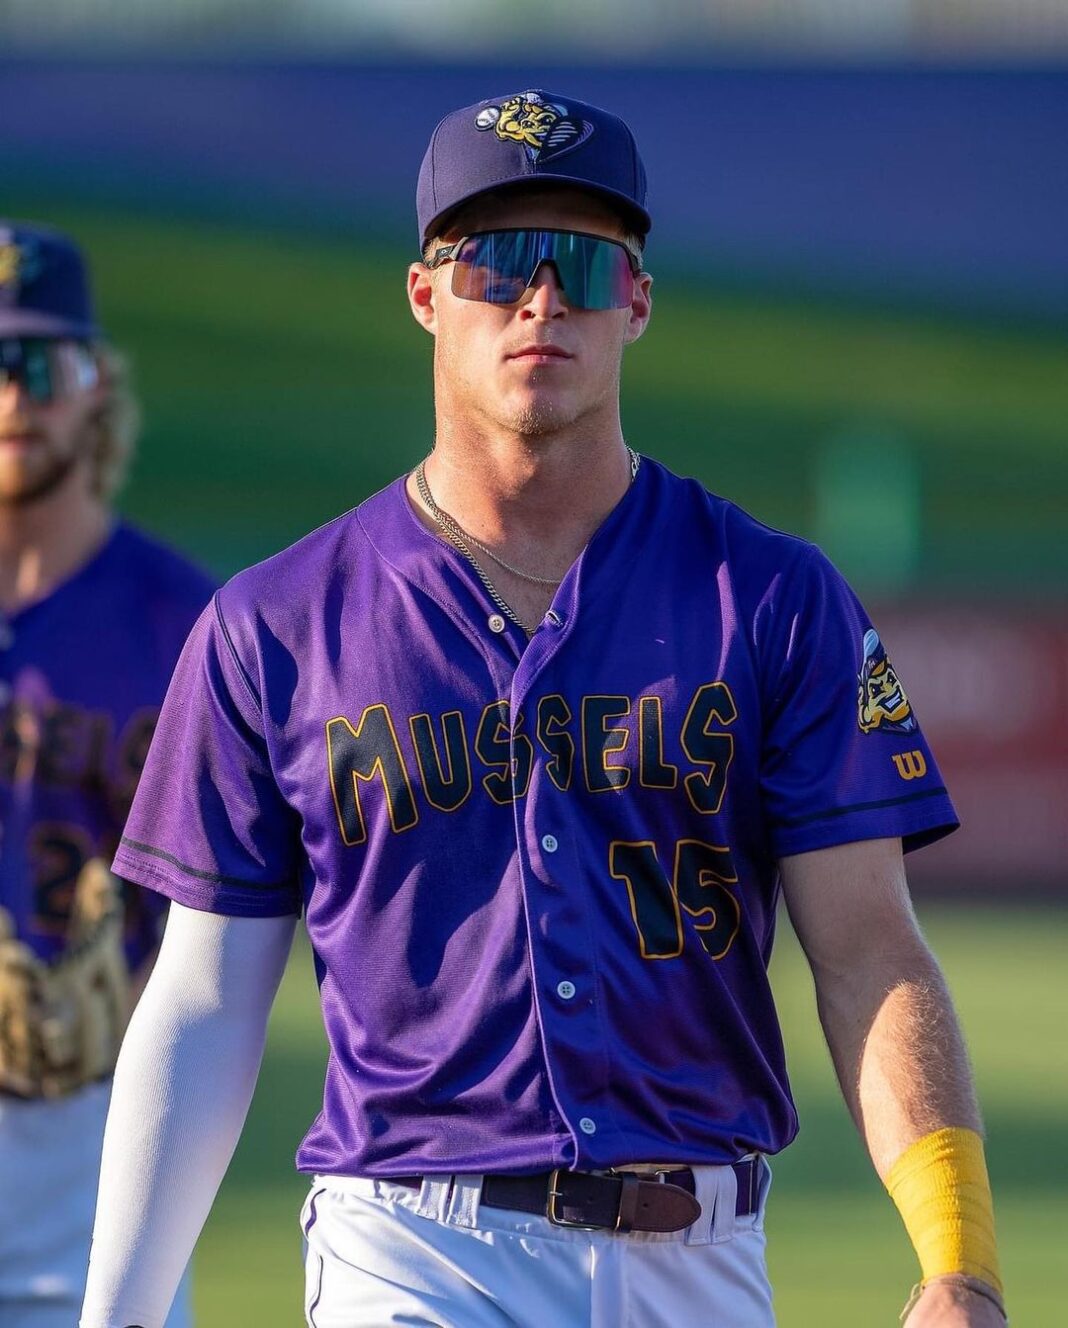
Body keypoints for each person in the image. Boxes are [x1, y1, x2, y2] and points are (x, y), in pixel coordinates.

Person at [80, 91, 1005, 1327]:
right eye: (497, 260)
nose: (538, 298)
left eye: (578, 260)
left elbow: (871, 951)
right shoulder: (275, 625)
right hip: (413, 1247)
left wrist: (960, 1257)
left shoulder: (774, 597)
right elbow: (203, 995)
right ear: (425, 295)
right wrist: (120, 1313)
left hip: (702, 1252)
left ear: (636, 299)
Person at [0, 221, 214, 1327]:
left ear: (96, 387)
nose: (13, 396)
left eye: (41, 363)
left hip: (101, 1125)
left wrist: (143, 998)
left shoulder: (185, 624)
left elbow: (248, 907)